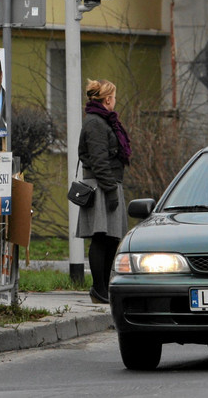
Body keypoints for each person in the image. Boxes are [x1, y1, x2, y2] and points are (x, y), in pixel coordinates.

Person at [77, 79, 130, 305]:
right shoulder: (95, 123)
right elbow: (98, 161)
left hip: (107, 184)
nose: (115, 101)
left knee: (110, 239)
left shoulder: (102, 121)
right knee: (101, 239)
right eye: (114, 98)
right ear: (108, 99)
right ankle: (98, 290)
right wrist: (110, 191)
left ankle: (103, 290)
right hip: (102, 186)